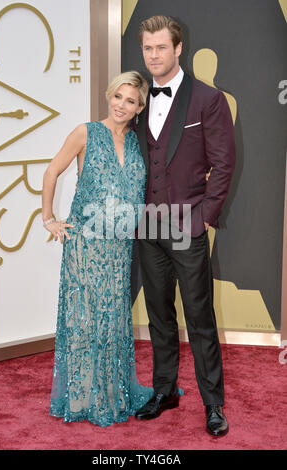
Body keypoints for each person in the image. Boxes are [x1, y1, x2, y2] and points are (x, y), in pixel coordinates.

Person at [133, 16, 236, 436]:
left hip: (186, 225)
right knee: (158, 314)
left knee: (199, 317)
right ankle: (165, 390)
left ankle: (213, 404)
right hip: (147, 226)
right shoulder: (137, 97)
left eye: (161, 48)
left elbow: (224, 164)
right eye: (147, 49)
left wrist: (203, 218)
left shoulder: (208, 99)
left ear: (179, 49)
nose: (153, 55)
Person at [42, 71, 154, 427]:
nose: (122, 105)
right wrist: (49, 219)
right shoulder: (85, 132)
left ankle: (111, 393)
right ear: (110, 95)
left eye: (131, 100)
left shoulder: (137, 143)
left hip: (119, 250)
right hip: (84, 247)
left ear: (139, 106)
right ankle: (81, 399)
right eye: (118, 96)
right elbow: (51, 172)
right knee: (84, 322)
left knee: (113, 321)